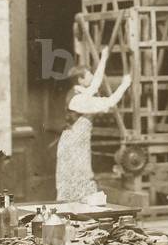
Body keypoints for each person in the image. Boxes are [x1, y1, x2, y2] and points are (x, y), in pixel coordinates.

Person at [55, 47, 131, 202]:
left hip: (77, 143)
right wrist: (124, 84)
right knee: (77, 179)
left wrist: (103, 58)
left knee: (79, 179)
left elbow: (95, 83)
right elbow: (109, 103)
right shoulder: (79, 100)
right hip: (73, 145)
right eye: (88, 74)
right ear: (80, 80)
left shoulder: (78, 91)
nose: (92, 76)